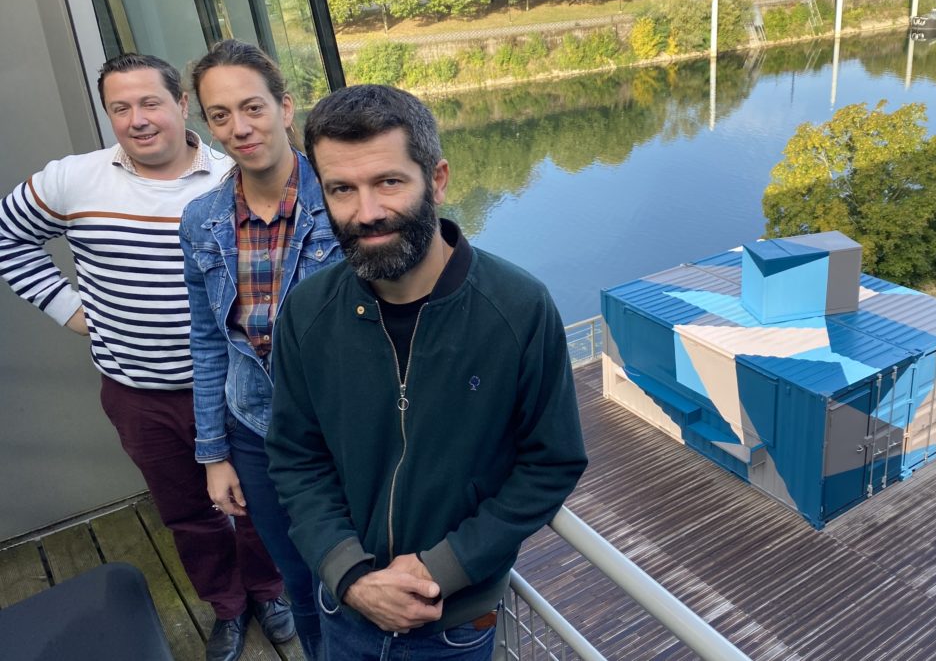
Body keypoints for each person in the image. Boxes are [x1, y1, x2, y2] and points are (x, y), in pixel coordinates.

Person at [264, 85, 588, 659]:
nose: (367, 213)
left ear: (436, 179)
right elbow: (296, 457)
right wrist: (351, 573)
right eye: (342, 189)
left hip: (454, 622)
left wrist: (445, 565)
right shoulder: (307, 314)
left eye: (389, 182)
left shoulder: (518, 310)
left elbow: (550, 463)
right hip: (345, 607)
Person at [0, 53, 289, 661]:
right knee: (188, 512)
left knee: (262, 504)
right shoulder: (72, 180)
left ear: (181, 105)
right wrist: (72, 312)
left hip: (239, 389)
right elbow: (8, 238)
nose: (137, 119)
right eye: (120, 107)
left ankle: (270, 591)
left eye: (150, 102)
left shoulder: (229, 175)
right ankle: (228, 607)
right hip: (139, 395)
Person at [180, 39, 341, 661]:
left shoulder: (341, 199)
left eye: (252, 108)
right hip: (257, 433)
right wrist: (215, 453)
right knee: (299, 579)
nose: (238, 128)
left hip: (343, 431)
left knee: (357, 569)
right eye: (220, 115)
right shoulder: (203, 220)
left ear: (285, 106)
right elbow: (208, 339)